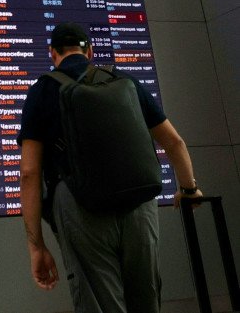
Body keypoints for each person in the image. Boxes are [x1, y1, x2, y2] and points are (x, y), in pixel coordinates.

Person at [19, 22, 202, 313]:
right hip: (138, 206)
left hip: (81, 210)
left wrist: (36, 246)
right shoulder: (123, 80)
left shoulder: (42, 91)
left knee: (100, 302)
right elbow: (175, 143)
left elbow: (29, 173)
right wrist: (189, 188)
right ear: (89, 51)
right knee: (146, 298)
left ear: (51, 53)